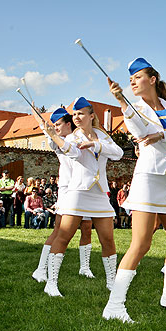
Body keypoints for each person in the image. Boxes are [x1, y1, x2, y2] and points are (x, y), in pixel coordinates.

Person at [103, 57, 166, 321]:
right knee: (140, 244)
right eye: (129, 79)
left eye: (137, 77)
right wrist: (122, 101)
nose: (132, 81)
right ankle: (115, 305)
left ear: (152, 79)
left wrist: (162, 135)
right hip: (147, 179)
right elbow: (138, 128)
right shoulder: (134, 107)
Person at [42, 96, 123, 298]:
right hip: (78, 192)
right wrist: (54, 136)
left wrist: (96, 145)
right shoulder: (72, 137)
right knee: (64, 236)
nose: (77, 117)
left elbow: (119, 153)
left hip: (99, 193)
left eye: (80, 114)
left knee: (108, 239)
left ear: (91, 116)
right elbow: (71, 152)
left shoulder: (101, 136)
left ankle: (112, 283)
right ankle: (51, 283)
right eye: (75, 114)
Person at [30, 108, 95, 284]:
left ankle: (85, 267)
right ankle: (41, 269)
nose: (55, 128)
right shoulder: (57, 142)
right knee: (59, 230)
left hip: (85, 189)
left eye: (58, 124)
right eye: (54, 125)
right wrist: (39, 120)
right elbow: (49, 135)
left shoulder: (79, 138)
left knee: (87, 227)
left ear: (68, 124)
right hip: (68, 191)